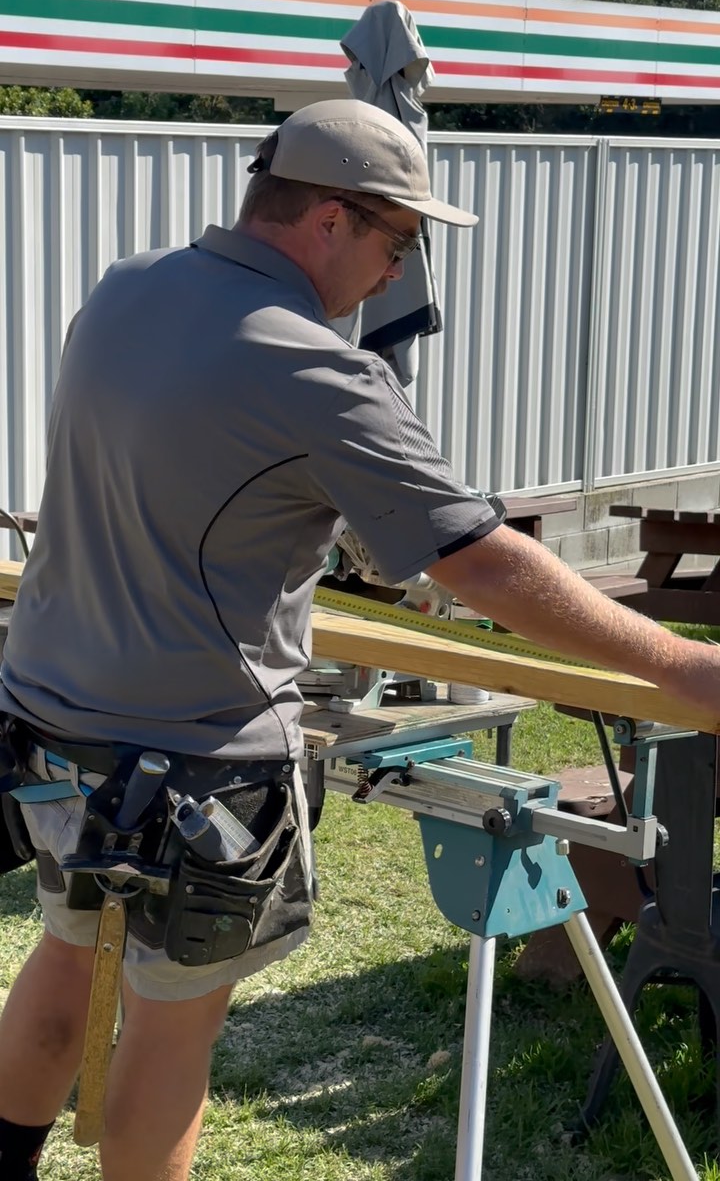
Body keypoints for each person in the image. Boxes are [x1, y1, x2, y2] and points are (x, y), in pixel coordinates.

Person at [0, 97, 717, 1181]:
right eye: (400, 238)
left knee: (65, 949)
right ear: (329, 217)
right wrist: (680, 665)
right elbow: (478, 559)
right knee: (170, 1021)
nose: (398, 272)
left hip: (52, 723)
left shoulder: (123, 290)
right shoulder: (316, 368)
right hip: (198, 760)